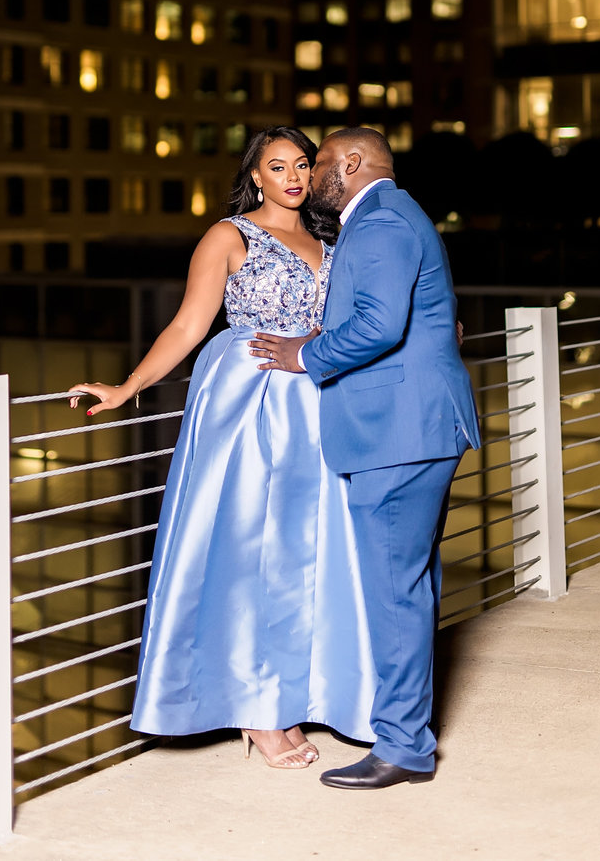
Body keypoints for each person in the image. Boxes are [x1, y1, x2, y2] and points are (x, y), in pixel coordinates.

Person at [69, 127, 376, 770]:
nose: (292, 176)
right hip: (251, 403)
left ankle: (289, 698)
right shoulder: (227, 236)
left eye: (301, 164)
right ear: (255, 176)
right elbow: (188, 323)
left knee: (304, 557)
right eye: (276, 166)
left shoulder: (331, 238)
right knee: (250, 552)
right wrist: (129, 386)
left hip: (316, 402)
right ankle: (258, 710)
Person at [251, 127, 480, 790]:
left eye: (319, 162)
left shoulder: (379, 221)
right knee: (409, 587)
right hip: (414, 430)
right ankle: (407, 734)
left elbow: (382, 324)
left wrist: (305, 354)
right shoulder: (394, 216)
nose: (312, 174)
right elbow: (424, 316)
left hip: (397, 437)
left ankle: (405, 747)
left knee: (395, 593)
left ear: (349, 164)